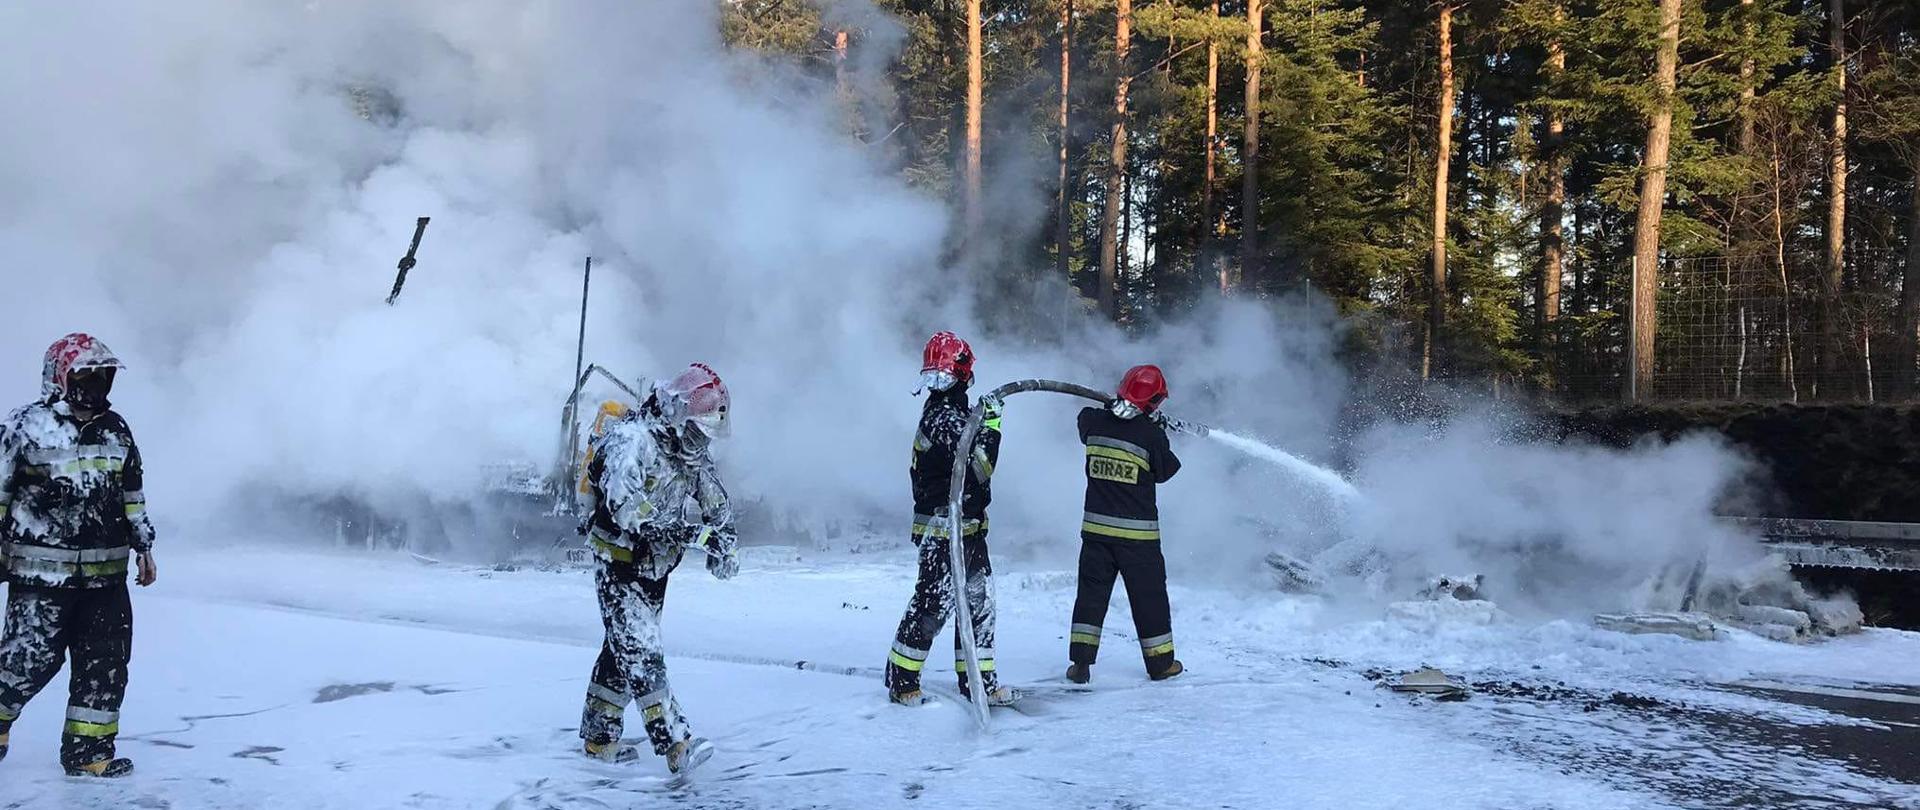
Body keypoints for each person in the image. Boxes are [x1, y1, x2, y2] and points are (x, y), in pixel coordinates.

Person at [0, 333, 158, 778]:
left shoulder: (116, 428)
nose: (98, 382)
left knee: (105, 665)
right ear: (61, 376)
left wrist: (144, 547)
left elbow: (132, 493)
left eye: (104, 374)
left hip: (106, 576)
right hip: (39, 575)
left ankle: (89, 752)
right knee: (26, 660)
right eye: (87, 373)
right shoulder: (25, 426)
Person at [577, 363, 740, 776]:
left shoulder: (690, 453)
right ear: (679, 416)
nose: (700, 443)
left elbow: (715, 501)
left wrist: (725, 542)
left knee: (622, 651)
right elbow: (624, 507)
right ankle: (676, 743)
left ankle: (599, 737)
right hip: (619, 561)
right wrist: (686, 532)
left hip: (656, 568)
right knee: (643, 651)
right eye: (696, 431)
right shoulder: (630, 442)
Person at [884, 331, 1013, 707]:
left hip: (968, 527)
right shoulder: (942, 417)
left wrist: (982, 421)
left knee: (978, 604)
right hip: (942, 527)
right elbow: (979, 468)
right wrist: (991, 427)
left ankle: (979, 683)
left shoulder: (956, 413)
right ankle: (902, 680)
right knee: (933, 604)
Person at [1066, 365, 1183, 685]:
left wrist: (1115, 410)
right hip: (1138, 539)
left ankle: (1080, 664)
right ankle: (1160, 664)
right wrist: (1155, 428)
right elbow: (1168, 470)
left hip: (1095, 534)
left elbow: (1084, 418)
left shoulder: (1094, 423)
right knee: (1149, 599)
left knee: (1090, 597)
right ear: (1154, 402)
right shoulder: (1150, 436)